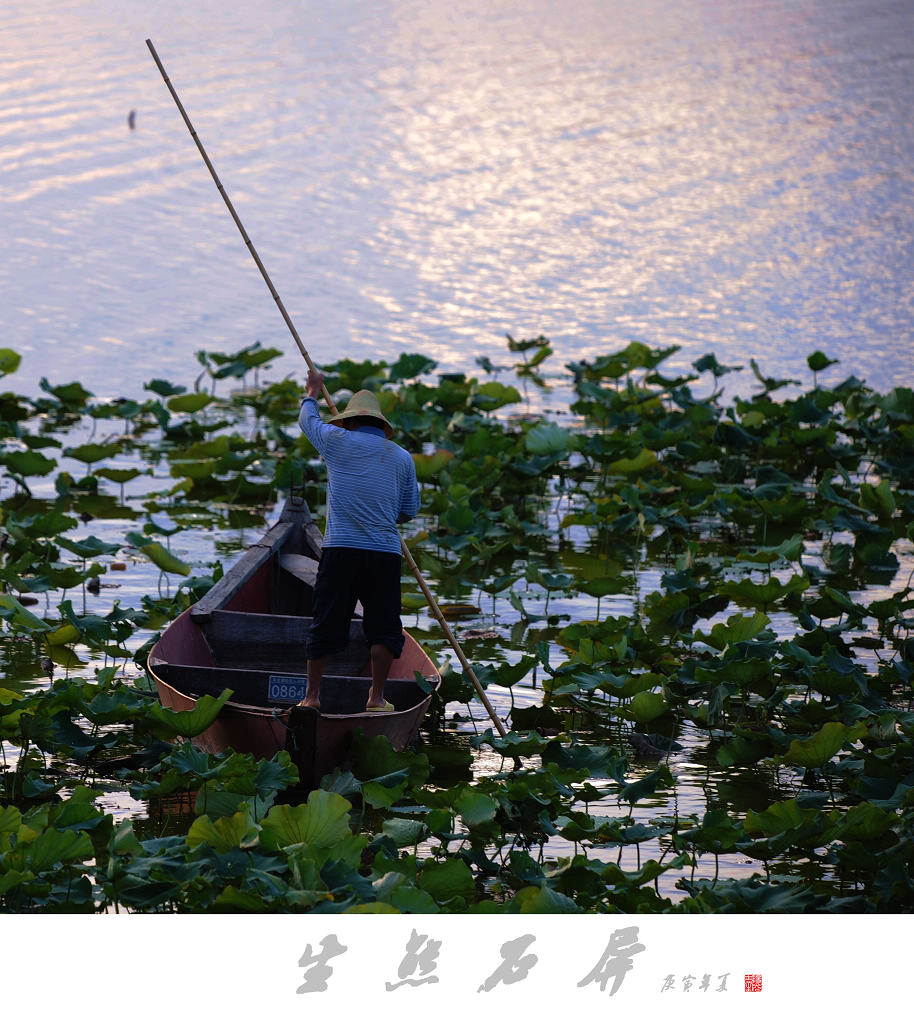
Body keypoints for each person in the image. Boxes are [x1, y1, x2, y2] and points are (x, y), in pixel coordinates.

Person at [297, 370, 420, 712]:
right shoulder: (401, 457)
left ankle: (311, 698)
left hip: (341, 551)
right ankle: (376, 698)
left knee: (326, 620)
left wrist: (312, 391)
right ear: (381, 426)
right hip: (383, 554)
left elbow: (308, 421)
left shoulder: (337, 443)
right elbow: (409, 510)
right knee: (384, 626)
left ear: (350, 422)